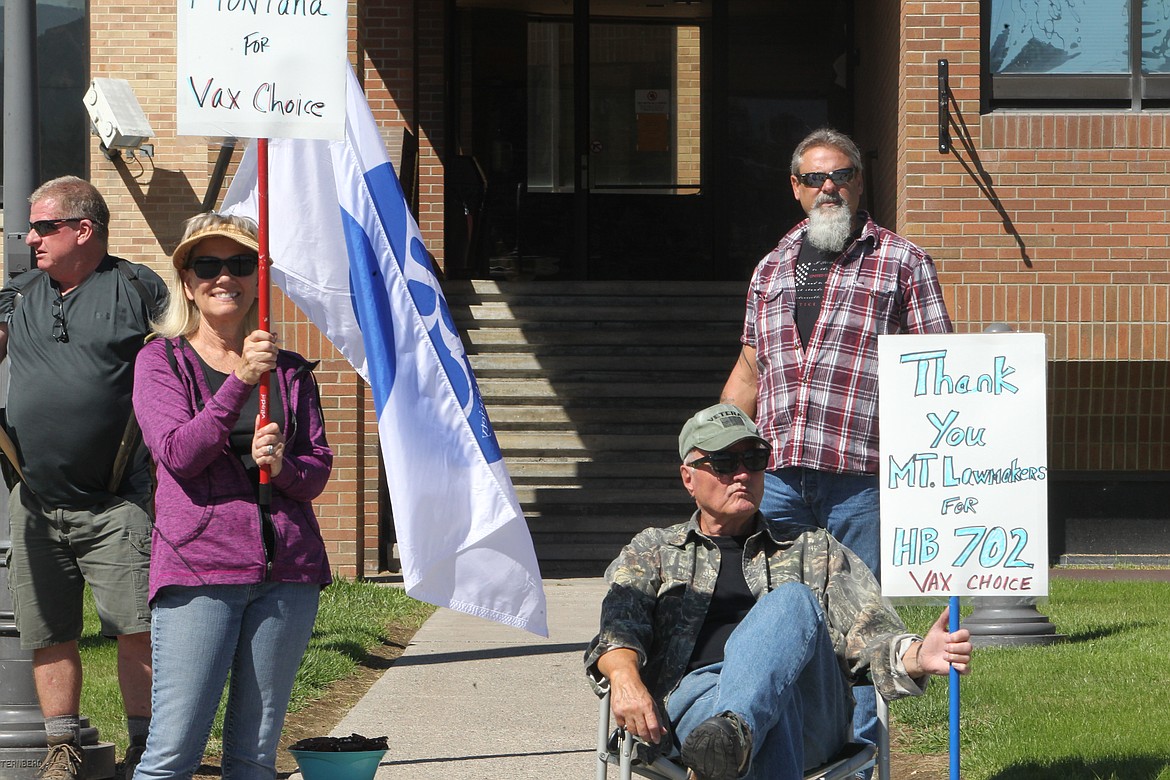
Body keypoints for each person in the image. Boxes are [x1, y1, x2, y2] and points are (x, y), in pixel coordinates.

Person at [719, 127, 953, 754]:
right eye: (816, 178)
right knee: (763, 617)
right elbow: (749, 370)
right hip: (778, 483)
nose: (830, 188)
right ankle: (779, 747)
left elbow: (939, 370)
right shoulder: (769, 268)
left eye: (842, 175)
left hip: (860, 483)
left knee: (863, 627)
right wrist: (714, 454)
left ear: (859, 183)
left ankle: (858, 759)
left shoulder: (903, 262)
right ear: (795, 188)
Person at [585, 404, 971, 780]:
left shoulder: (812, 548)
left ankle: (737, 729)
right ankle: (737, 731)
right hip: (697, 710)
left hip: (811, 715)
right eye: (723, 463)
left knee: (791, 601)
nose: (742, 474)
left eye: (753, 460)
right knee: (767, 716)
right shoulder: (654, 550)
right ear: (688, 477)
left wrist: (919, 655)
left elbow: (869, 629)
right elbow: (620, 626)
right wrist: (624, 678)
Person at [130, 212, 333, 780]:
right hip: (200, 572)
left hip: (287, 575)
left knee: (253, 758)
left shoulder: (290, 372)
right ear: (187, 280)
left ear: (258, 279)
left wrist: (284, 466)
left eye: (241, 264)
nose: (225, 278)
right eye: (209, 265)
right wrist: (240, 381)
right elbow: (178, 455)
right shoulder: (160, 360)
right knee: (173, 754)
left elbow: (316, 472)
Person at [0, 176, 167, 780]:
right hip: (37, 499)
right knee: (49, 632)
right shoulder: (19, 295)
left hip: (117, 499)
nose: (30, 239)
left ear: (83, 230)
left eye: (43, 227)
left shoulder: (136, 288)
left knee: (137, 628)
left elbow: (186, 352)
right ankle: (61, 750)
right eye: (30, 227)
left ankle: (148, 750)